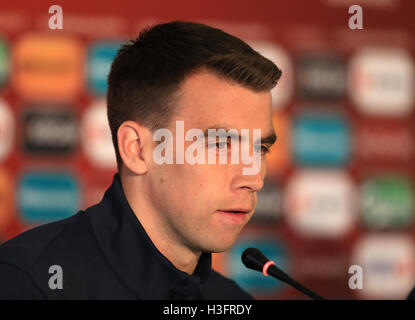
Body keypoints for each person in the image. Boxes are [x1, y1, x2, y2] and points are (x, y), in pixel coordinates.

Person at [0, 21, 281, 299]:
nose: (254, 179)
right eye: (221, 144)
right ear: (137, 149)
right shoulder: (26, 283)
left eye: (260, 149)